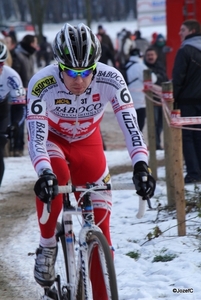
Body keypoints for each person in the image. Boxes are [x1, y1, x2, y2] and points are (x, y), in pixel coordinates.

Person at [26, 23, 156, 300]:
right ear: (59, 65)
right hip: (53, 140)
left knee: (102, 232)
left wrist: (141, 165)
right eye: (71, 72)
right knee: (57, 175)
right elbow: (35, 138)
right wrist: (43, 172)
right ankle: (48, 245)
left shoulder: (111, 78)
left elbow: (131, 127)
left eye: (86, 72)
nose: (79, 79)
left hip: (88, 143)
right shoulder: (42, 83)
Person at [172, 19, 201, 184]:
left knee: (187, 137)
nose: (179, 33)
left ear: (191, 31)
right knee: (199, 135)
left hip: (187, 101)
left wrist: (172, 99)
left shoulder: (185, 50)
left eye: (182, 30)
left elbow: (178, 78)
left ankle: (193, 173)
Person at [0, 42, 26, 186]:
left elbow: (20, 107)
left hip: (1, 111)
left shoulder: (12, 76)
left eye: (0, 65)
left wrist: (15, 124)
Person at [10, 34, 38, 156]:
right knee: (19, 119)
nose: (36, 45)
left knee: (30, 119)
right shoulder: (18, 55)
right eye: (35, 43)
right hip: (19, 92)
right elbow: (16, 75)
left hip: (29, 92)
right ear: (31, 43)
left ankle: (22, 145)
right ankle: (17, 147)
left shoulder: (30, 55)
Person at [125, 48, 157, 131]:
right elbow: (153, 79)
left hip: (128, 100)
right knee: (139, 127)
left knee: (131, 127)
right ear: (140, 55)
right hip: (140, 102)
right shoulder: (140, 66)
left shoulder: (127, 65)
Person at [144, 46, 168, 150]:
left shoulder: (160, 66)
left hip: (161, 100)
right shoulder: (143, 67)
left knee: (161, 124)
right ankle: (155, 144)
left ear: (156, 56)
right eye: (148, 55)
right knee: (153, 122)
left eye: (152, 55)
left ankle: (157, 142)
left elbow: (164, 79)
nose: (150, 57)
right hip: (149, 100)